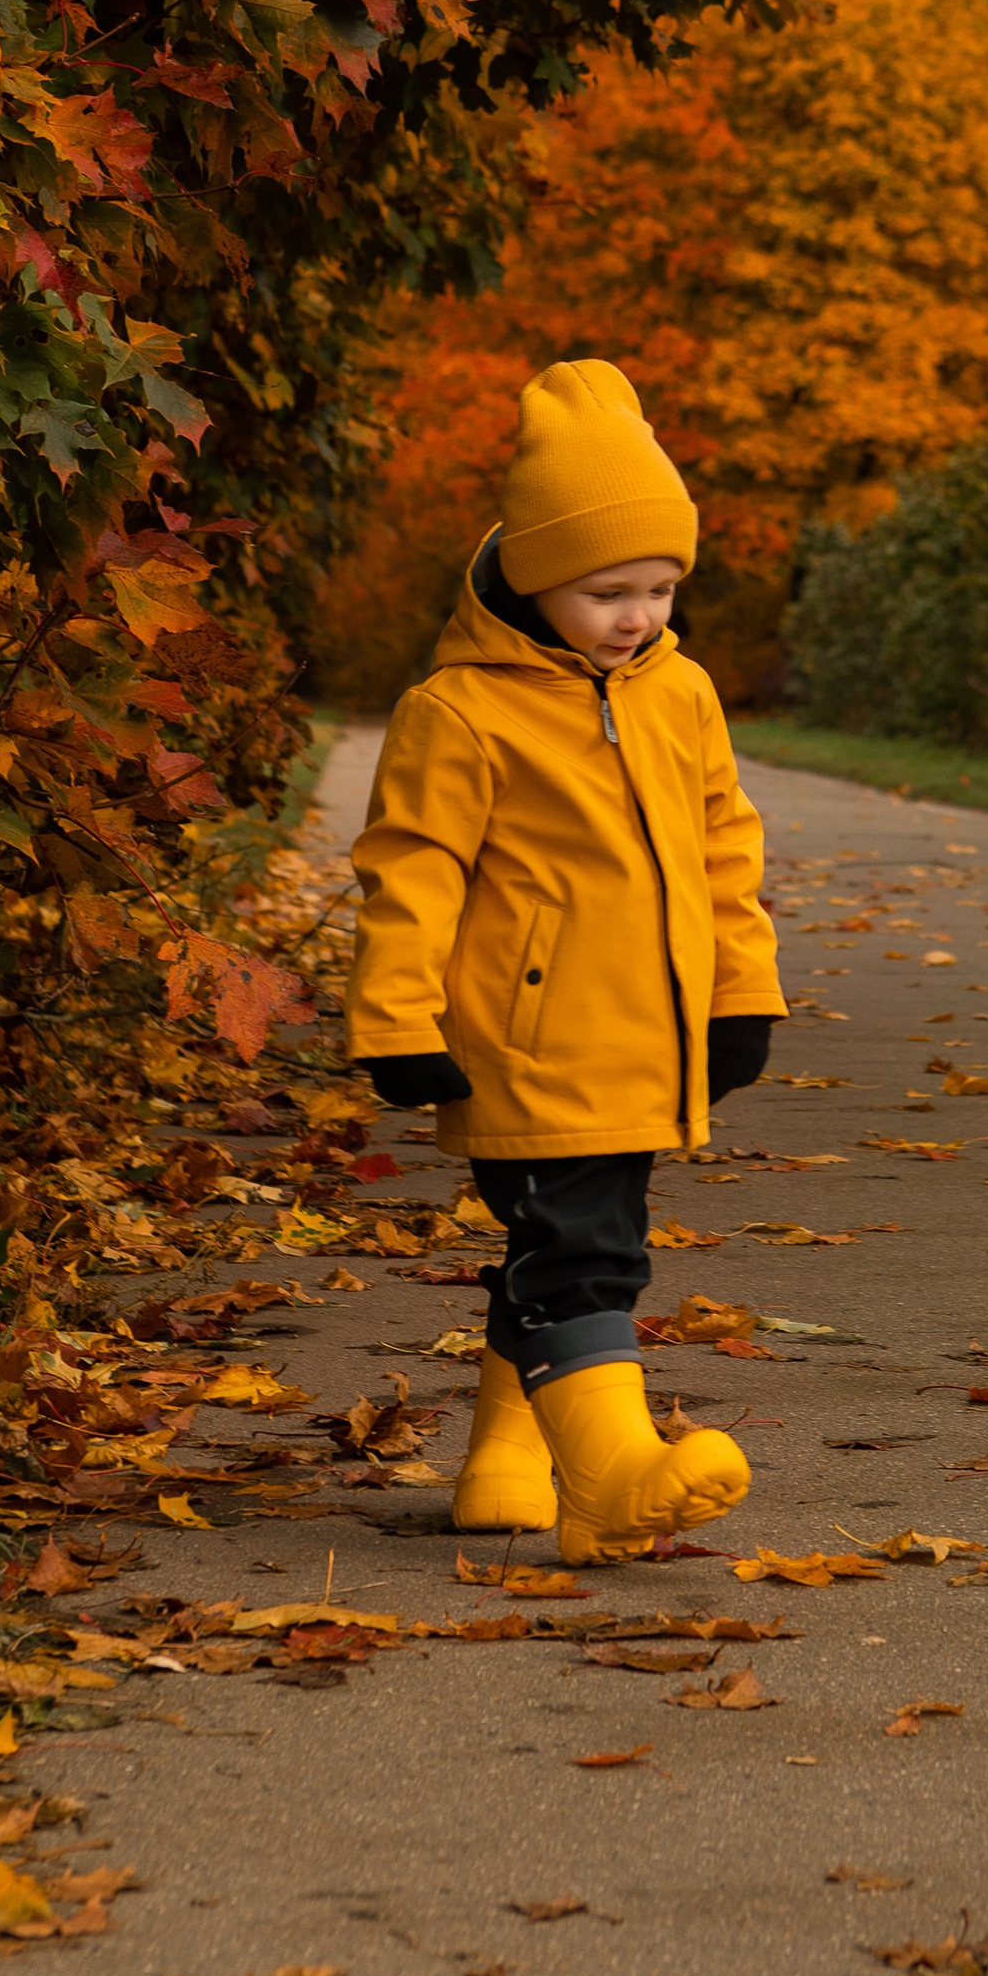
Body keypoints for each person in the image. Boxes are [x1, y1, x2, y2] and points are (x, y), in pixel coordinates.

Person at [345, 359, 783, 1561]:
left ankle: (504, 1456)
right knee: (585, 1248)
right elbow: (412, 867)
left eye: (660, 586)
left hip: (646, 1036)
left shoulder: (679, 690)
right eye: (608, 591)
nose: (638, 614)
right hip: (524, 1043)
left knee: (557, 1240)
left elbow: (721, 847)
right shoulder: (462, 711)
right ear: (537, 578)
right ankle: (608, 1474)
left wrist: (739, 993)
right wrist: (394, 1018)